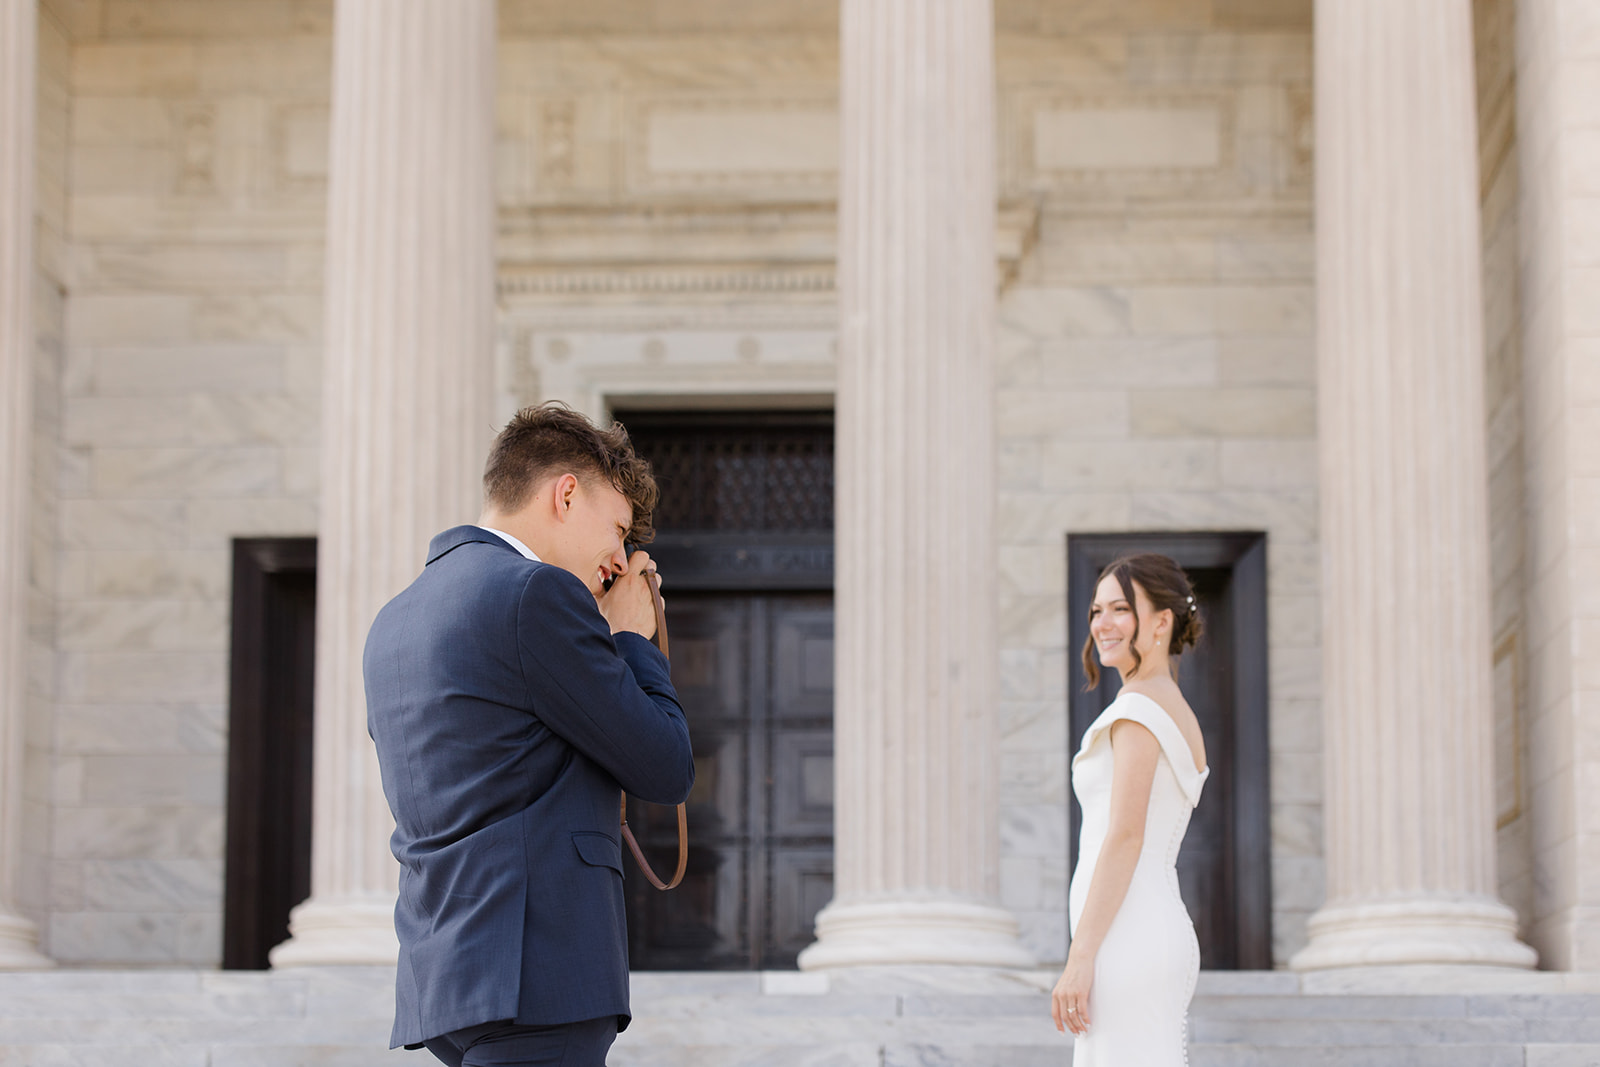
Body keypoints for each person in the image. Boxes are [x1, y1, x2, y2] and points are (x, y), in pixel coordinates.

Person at [365, 402, 695, 1067]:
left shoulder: (395, 619)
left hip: (449, 974)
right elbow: (664, 764)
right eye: (619, 529)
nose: (621, 557)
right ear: (566, 493)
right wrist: (631, 639)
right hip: (537, 970)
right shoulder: (533, 595)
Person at [1052, 553, 1209, 1065]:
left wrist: (1080, 957)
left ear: (1162, 621)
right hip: (1143, 926)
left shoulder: (1139, 711)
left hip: (1128, 935)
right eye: (1097, 610)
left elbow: (1125, 836)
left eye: (1120, 608)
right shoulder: (1169, 704)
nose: (1102, 624)